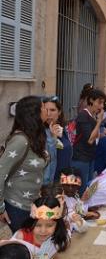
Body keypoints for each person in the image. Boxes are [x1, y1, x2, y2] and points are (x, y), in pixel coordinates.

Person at [0, 96, 48, 233]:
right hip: (16, 207)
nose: (47, 111)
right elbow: (1, 172)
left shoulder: (36, 136)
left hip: (31, 204)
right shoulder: (21, 140)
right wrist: (0, 208)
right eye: (43, 107)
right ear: (34, 113)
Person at [71, 89, 106, 195]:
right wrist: (99, 121)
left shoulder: (91, 116)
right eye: (99, 102)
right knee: (82, 189)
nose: (101, 106)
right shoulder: (83, 115)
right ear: (91, 100)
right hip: (81, 157)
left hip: (89, 156)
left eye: (103, 103)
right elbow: (90, 140)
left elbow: (94, 136)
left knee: (88, 186)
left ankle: (86, 209)